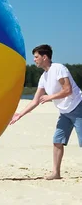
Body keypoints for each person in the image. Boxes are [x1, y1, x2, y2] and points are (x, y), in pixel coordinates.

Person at [10, 44, 82, 180]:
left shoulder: (58, 68)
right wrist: (20, 114)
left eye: (36, 57)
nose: (34, 60)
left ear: (45, 57)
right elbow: (35, 101)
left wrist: (50, 97)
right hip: (65, 112)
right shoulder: (44, 77)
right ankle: (56, 173)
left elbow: (68, 90)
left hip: (78, 107)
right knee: (57, 141)